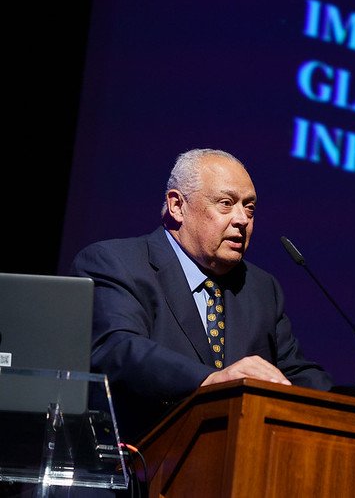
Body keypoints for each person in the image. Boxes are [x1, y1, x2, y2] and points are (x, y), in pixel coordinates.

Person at [70, 148, 334, 442]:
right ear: (177, 206)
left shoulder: (261, 288)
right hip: (138, 456)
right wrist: (210, 380)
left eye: (249, 208)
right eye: (226, 203)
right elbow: (118, 350)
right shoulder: (116, 263)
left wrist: (354, 400)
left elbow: (293, 372)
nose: (242, 219)